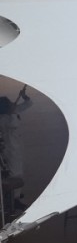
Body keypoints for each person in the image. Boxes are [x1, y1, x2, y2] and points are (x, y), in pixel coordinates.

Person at [0, 86, 33, 214]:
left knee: (20, 171)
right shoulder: (3, 119)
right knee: (15, 173)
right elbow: (13, 124)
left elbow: (28, 104)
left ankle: (17, 196)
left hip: (18, 148)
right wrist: (13, 112)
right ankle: (14, 199)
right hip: (11, 151)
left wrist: (24, 96)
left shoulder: (11, 112)